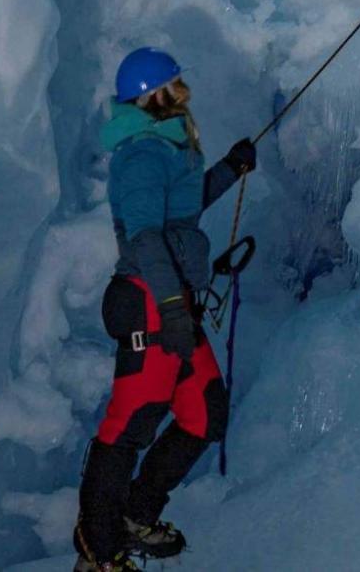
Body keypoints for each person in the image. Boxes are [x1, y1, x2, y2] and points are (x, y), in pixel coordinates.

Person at [74, 48, 258, 572]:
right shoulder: (141, 153)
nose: (183, 92)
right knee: (130, 424)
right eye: (175, 84)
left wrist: (229, 169)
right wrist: (174, 308)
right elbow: (145, 236)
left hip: (170, 301)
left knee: (205, 413)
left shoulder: (165, 146)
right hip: (151, 301)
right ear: (152, 94)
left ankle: (135, 515)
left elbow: (180, 208)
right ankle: (98, 551)